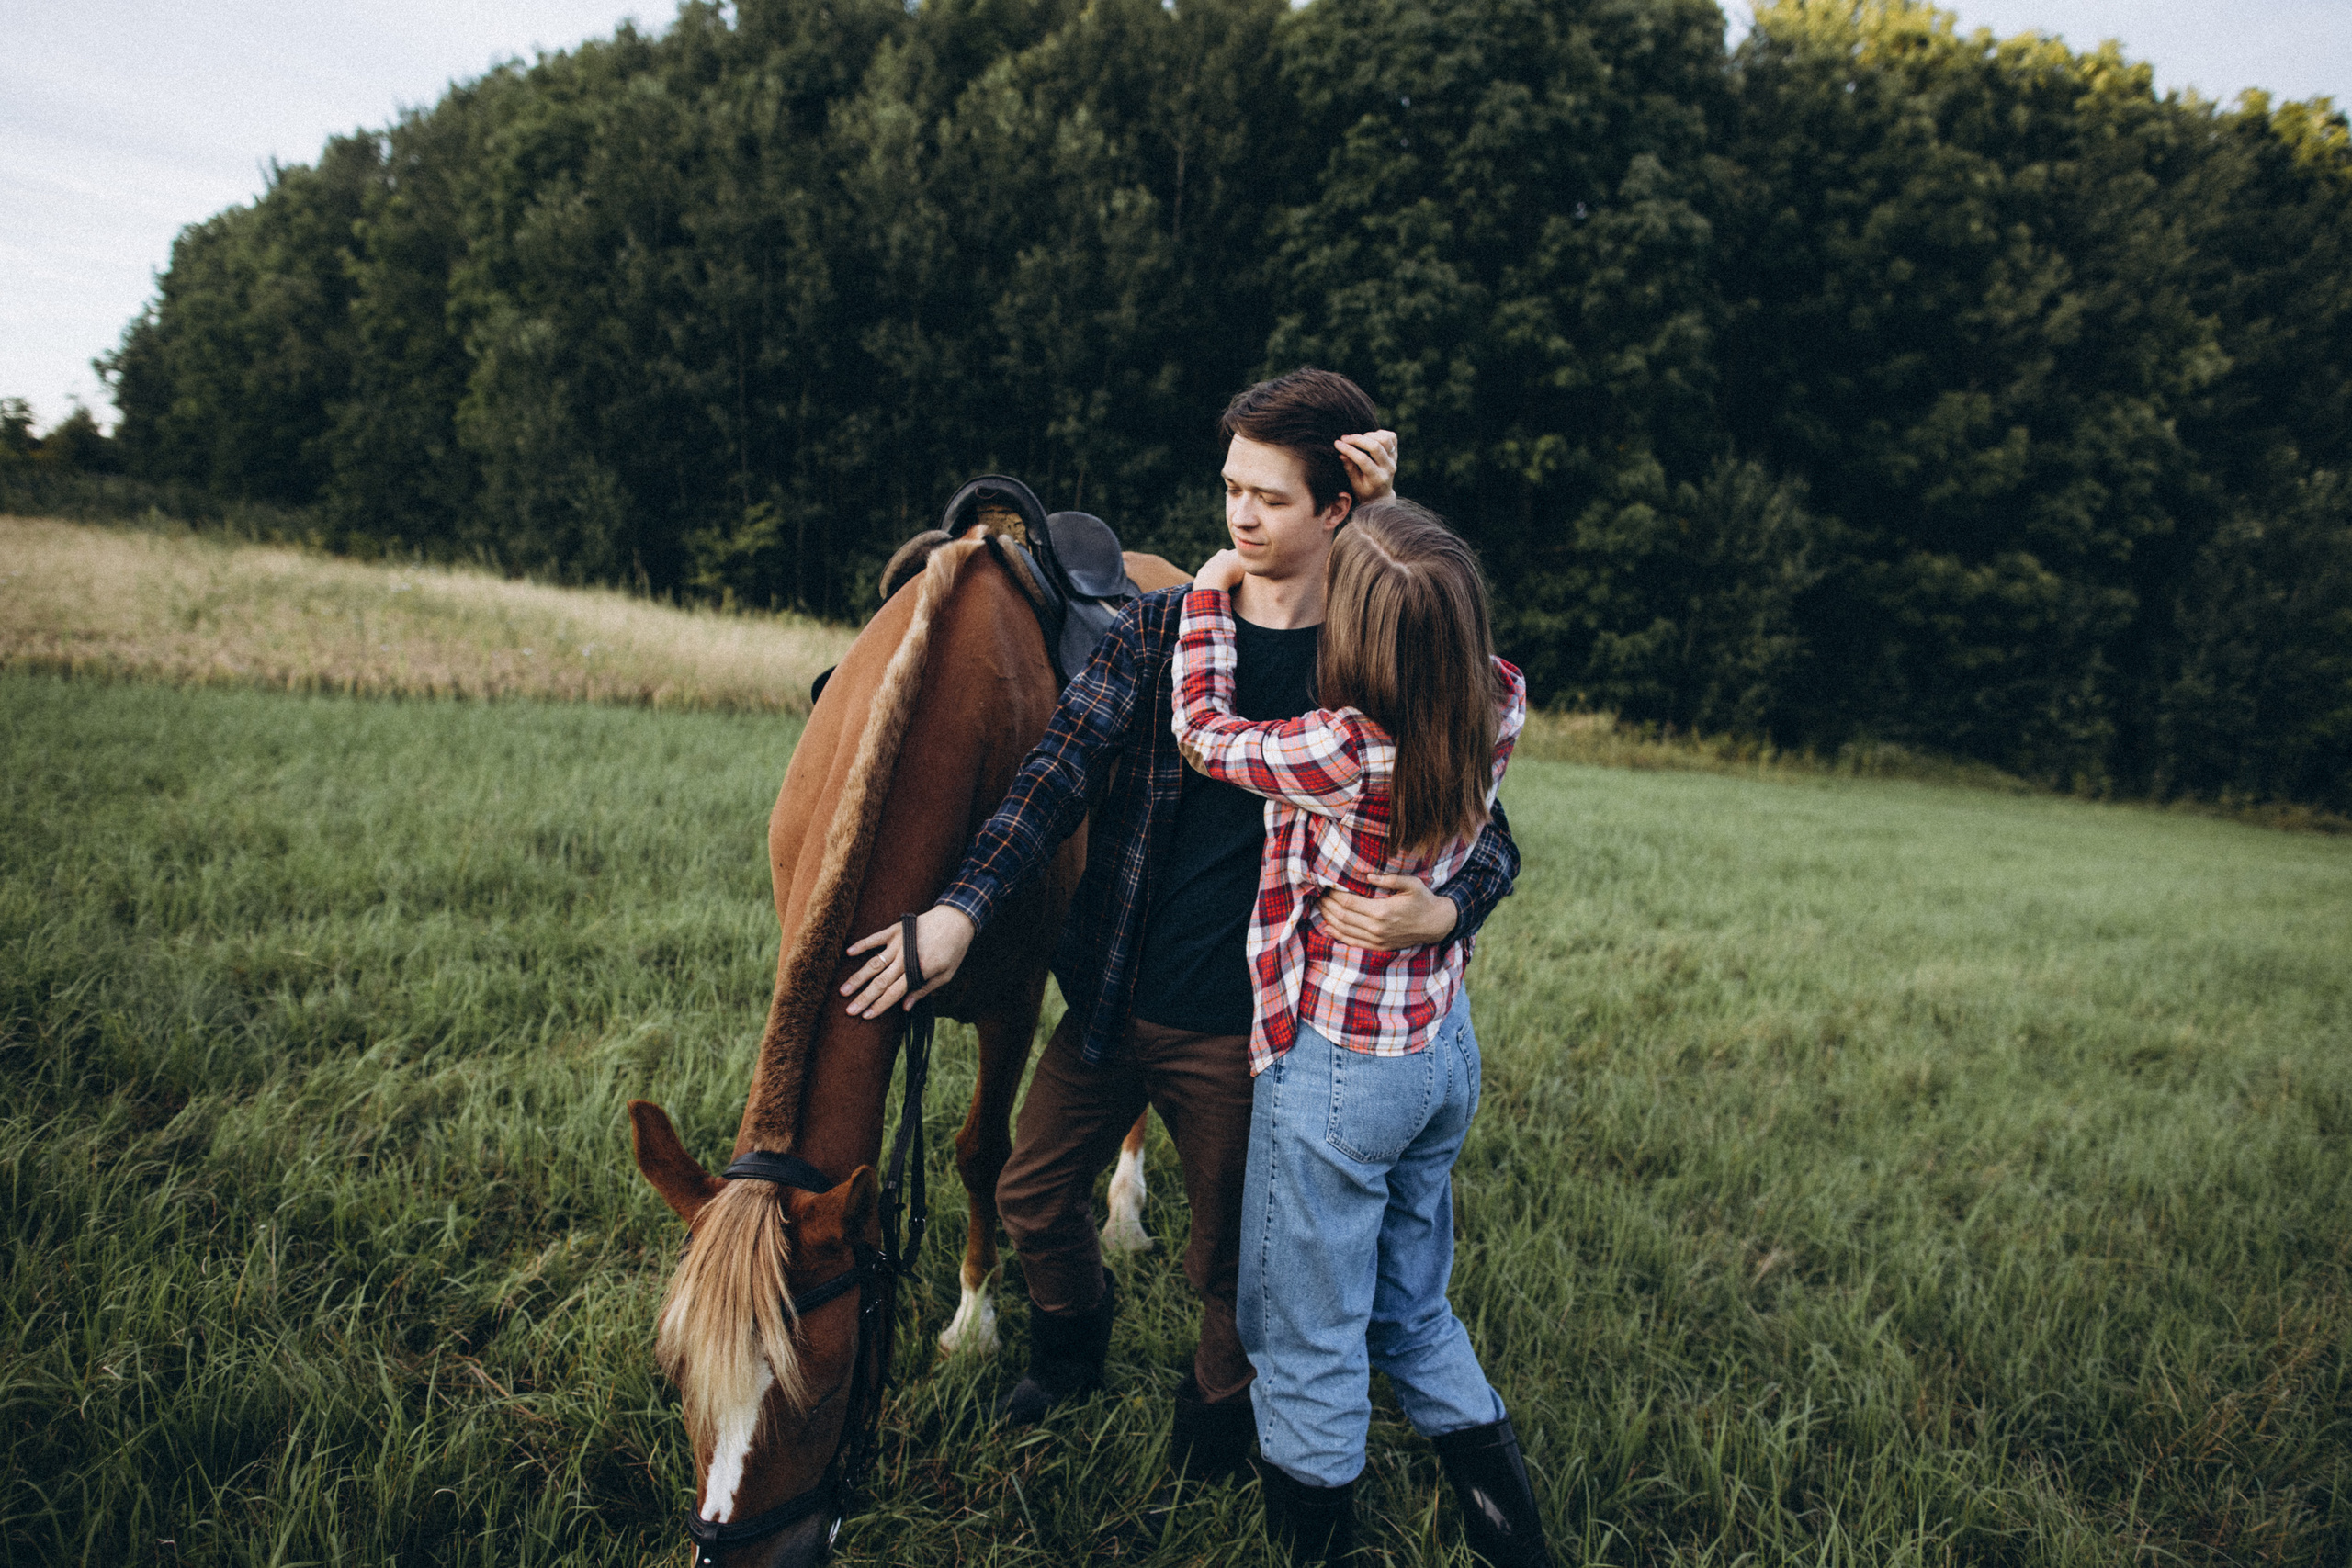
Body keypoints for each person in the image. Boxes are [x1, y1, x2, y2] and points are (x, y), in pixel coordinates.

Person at [835, 370, 1520, 1517]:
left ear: (1338, 510)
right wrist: (961, 910)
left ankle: (1208, 1437)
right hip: (1111, 999)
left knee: (1231, 1268)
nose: (1238, 519)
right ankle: (1070, 1347)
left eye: (1269, 498)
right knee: (1032, 1195)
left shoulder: (1369, 667)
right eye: (1229, 490)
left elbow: (1483, 832)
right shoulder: (1159, 633)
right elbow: (1054, 777)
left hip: (1255, 1035)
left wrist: (1445, 912)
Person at [1172, 500, 1549, 1567]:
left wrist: (1208, 597)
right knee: (1414, 1311)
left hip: (1339, 1072)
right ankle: (1517, 1546)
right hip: (1439, 1051)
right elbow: (1438, 609)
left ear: (1361, 637)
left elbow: (1203, 734)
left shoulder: (1342, 750)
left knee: (1306, 1340)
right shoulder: (1497, 703)